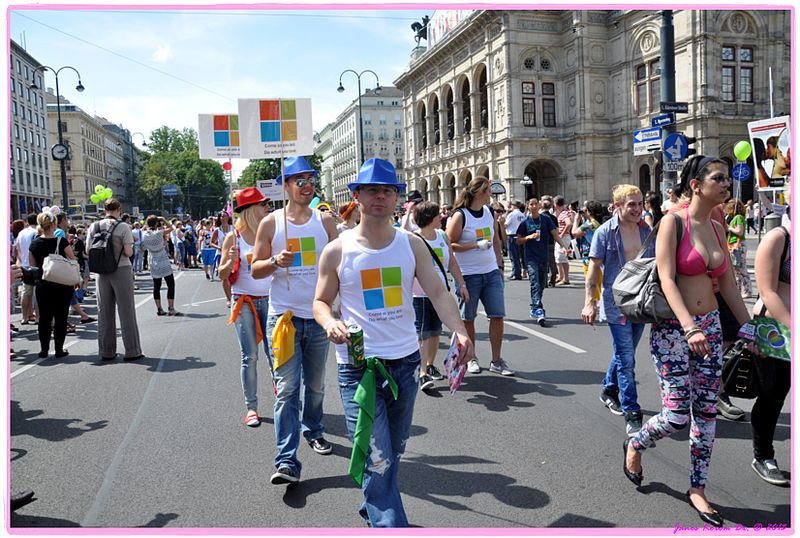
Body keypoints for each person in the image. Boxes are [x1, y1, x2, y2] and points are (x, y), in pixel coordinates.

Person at [313, 158, 473, 528]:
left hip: (404, 364)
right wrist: (330, 322)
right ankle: (390, 525)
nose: (380, 196)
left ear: (398, 198)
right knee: (378, 454)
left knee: (393, 449)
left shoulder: (411, 245)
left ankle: (374, 502)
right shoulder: (337, 250)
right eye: (372, 190)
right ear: (357, 195)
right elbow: (320, 302)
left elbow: (437, 291)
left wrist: (461, 330)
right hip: (359, 369)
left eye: (387, 190)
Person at [624, 155, 751, 528]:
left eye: (727, 178)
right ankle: (636, 442)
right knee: (678, 415)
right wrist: (688, 326)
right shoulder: (671, 223)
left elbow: (727, 283)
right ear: (696, 185)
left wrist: (748, 329)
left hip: (709, 328)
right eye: (718, 178)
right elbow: (665, 278)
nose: (726, 184)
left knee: (707, 414)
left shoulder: (714, 226)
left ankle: (698, 487)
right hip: (674, 332)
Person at [250, 156, 339, 485]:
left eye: (309, 180)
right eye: (298, 181)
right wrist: (275, 261)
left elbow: (342, 265)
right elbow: (256, 268)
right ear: (285, 186)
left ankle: (313, 429)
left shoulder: (325, 222)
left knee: (315, 387)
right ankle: (286, 460)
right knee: (287, 390)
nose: (306, 186)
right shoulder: (271, 223)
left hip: (317, 318)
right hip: (283, 319)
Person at [581, 185, 652, 436]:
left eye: (640, 203)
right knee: (627, 358)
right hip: (616, 303)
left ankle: (609, 389)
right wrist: (590, 301)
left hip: (641, 301)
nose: (637, 209)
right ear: (618, 206)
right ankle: (632, 411)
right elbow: (593, 268)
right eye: (631, 204)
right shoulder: (604, 233)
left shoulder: (647, 230)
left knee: (626, 352)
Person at [446, 176, 511, 376]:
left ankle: (496, 360)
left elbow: (496, 241)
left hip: (490, 272)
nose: (492, 193)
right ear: (480, 192)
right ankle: (471, 358)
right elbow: (449, 244)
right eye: (489, 189)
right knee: (468, 319)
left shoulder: (489, 212)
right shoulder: (461, 215)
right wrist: (475, 245)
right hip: (468, 275)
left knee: (497, 316)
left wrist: (500, 266)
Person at [219, 188, 272, 427]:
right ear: (250, 210)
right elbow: (221, 274)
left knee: (277, 355)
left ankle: (284, 399)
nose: (267, 208)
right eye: (263, 205)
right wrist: (230, 260)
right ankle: (252, 407)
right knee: (249, 356)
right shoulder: (234, 237)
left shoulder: (270, 233)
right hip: (244, 302)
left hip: (272, 300)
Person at [749, 210, 790, 486]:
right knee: (772, 394)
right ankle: (763, 455)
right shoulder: (779, 238)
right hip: (774, 328)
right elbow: (767, 292)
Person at [411, 201, 469, 391]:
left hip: (440, 293)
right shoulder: (413, 239)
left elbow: (452, 262)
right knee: (422, 334)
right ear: (429, 217)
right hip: (419, 294)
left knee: (435, 332)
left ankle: (429, 364)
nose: (441, 218)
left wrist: (461, 284)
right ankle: (421, 373)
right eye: (438, 215)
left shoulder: (442, 236)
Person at [87, 198, 144, 361]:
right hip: (121, 269)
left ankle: (107, 351)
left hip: (101, 272)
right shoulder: (123, 226)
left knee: (103, 312)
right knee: (126, 311)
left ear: (104, 210)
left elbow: (87, 249)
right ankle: (132, 350)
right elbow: (128, 252)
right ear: (118, 209)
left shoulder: (94, 226)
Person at [28, 210, 77, 358]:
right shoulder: (61, 241)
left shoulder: (34, 244)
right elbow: (73, 259)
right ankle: (59, 349)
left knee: (44, 318)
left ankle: (44, 350)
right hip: (62, 285)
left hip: (43, 286)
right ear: (54, 224)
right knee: (61, 317)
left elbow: (33, 267)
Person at [516, 198, 568, 326]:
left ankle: (534, 307)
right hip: (531, 257)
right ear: (528, 206)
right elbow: (518, 240)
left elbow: (555, 234)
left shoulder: (546, 220)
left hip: (543, 256)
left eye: (535, 204)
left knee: (541, 283)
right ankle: (539, 309)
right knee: (534, 282)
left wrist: (564, 247)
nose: (533, 206)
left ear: (539, 205)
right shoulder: (525, 222)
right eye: (531, 204)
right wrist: (528, 237)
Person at [141, 215, 182, 317]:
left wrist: (146, 224)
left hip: (152, 259)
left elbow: (142, 231)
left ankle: (159, 309)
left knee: (156, 286)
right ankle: (171, 308)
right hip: (162, 259)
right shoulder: (159, 233)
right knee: (170, 284)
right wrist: (163, 219)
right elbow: (172, 228)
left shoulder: (144, 234)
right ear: (156, 223)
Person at [571, 201, 604, 306]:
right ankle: (598, 301)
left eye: (585, 210)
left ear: (589, 212)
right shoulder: (601, 223)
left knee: (591, 280)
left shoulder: (588, 225)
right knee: (599, 279)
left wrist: (576, 221)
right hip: (600, 255)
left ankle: (594, 302)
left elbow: (574, 233)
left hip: (589, 255)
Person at [725, 199, 753, 298]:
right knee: (737, 269)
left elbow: (740, 232)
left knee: (741, 268)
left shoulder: (738, 217)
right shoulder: (736, 217)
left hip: (738, 245)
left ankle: (747, 290)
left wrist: (729, 228)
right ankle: (741, 290)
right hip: (734, 245)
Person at [15, 213, 39, 325]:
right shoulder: (36, 233)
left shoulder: (21, 233)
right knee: (37, 293)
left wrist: (22, 260)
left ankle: (25, 317)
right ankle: (38, 316)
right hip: (35, 265)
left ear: (28, 222)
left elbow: (18, 250)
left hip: (24, 265)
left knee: (26, 292)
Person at [552, 196, 573, 285]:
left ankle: (565, 278)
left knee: (562, 257)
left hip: (563, 237)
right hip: (562, 237)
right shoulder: (562, 212)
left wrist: (562, 234)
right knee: (559, 257)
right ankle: (561, 276)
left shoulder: (564, 213)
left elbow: (569, 224)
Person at [504, 201, 527, 280]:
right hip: (520, 236)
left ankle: (516, 273)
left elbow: (505, 225)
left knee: (513, 255)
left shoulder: (512, 214)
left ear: (514, 206)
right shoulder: (522, 215)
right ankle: (518, 272)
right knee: (520, 255)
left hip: (512, 235)